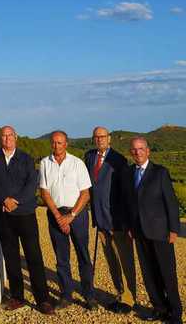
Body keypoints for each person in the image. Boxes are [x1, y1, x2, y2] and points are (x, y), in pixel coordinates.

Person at [0, 126, 55, 315]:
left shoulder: (26, 158)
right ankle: (17, 297)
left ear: (16, 137)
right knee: (11, 257)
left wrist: (15, 201)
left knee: (34, 257)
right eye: (4, 136)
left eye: (10, 135)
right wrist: (4, 200)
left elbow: (31, 183)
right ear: (0, 139)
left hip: (25, 213)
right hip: (3, 213)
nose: (7, 138)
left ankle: (43, 299)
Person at [121, 137, 182, 324]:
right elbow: (128, 204)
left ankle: (175, 313)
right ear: (131, 152)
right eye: (134, 149)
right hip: (139, 232)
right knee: (148, 274)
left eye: (141, 148)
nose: (137, 152)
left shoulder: (160, 172)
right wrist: (129, 227)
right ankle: (159, 309)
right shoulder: (128, 173)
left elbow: (171, 202)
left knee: (167, 274)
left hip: (161, 232)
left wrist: (174, 229)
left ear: (148, 151)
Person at [39, 130, 96, 310]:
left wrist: (70, 216)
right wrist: (58, 217)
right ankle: (66, 295)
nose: (56, 146)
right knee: (61, 258)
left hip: (77, 214)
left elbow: (85, 194)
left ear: (66, 144)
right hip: (55, 214)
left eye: (60, 142)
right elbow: (44, 192)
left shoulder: (77, 163)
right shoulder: (45, 163)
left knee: (83, 255)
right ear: (51, 143)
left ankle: (89, 295)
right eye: (54, 142)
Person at [84, 126, 136, 314]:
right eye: (96, 137)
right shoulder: (89, 157)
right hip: (100, 219)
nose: (100, 139)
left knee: (124, 260)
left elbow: (126, 193)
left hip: (117, 221)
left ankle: (129, 299)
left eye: (103, 136)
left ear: (109, 138)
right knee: (112, 261)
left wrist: (126, 221)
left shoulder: (119, 160)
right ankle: (120, 293)